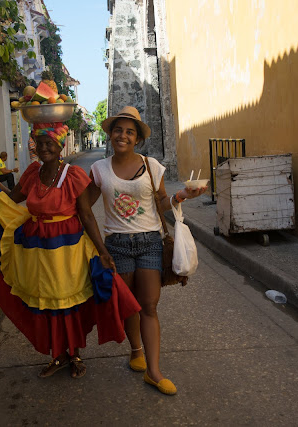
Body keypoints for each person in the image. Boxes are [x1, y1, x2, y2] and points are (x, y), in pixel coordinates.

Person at [0, 121, 140, 379]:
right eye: (40, 144)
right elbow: (9, 197)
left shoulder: (72, 175)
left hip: (68, 251)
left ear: (60, 146)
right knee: (48, 304)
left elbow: (87, 215)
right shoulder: (31, 173)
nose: (45, 148)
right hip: (38, 250)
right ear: (35, 147)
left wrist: (102, 251)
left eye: (50, 143)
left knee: (68, 303)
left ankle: (75, 354)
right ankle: (58, 355)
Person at [88, 106, 206, 395]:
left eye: (130, 132)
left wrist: (182, 195)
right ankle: (136, 350)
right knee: (130, 306)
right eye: (118, 130)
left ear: (137, 138)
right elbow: (84, 209)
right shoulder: (99, 169)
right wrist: (99, 247)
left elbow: (162, 203)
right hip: (117, 245)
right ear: (111, 134)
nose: (123, 136)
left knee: (149, 305)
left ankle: (154, 371)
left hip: (150, 242)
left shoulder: (153, 167)